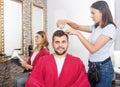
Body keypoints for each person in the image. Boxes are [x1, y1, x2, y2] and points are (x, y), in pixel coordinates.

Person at [56, 1, 117, 87]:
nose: (91, 16)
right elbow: (78, 27)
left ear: (102, 12)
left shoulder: (110, 28)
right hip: (92, 67)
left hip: (103, 69)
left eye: (93, 13)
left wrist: (77, 33)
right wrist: (66, 21)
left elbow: (93, 49)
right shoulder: (97, 26)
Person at [25, 30, 90, 87]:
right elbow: (33, 81)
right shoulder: (43, 61)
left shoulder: (77, 62)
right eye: (57, 42)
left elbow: (82, 83)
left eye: (63, 42)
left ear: (68, 43)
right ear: (52, 44)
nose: (60, 45)